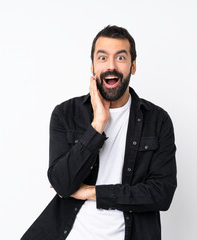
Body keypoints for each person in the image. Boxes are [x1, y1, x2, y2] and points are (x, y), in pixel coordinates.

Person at [21, 25, 177, 240]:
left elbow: (162, 194)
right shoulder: (65, 113)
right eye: (102, 58)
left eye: (120, 58)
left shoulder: (157, 120)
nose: (111, 66)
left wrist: (93, 192)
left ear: (133, 66)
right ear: (93, 67)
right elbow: (62, 184)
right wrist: (98, 125)